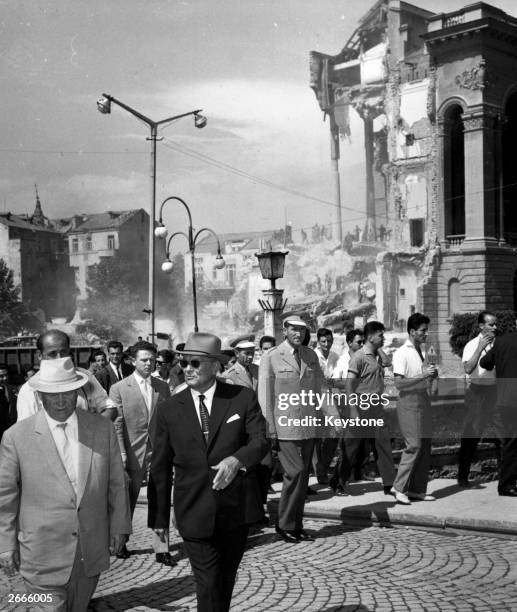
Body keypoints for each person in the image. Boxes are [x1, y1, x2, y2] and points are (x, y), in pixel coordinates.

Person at [148, 332, 268, 612]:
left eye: (195, 363)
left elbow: (260, 441)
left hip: (236, 510)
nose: (187, 369)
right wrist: (159, 519)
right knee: (209, 582)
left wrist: (237, 460)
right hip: (193, 510)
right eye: (184, 363)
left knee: (225, 581)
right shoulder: (168, 410)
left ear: (216, 366)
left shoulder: (242, 397)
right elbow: (160, 466)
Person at [0, 357, 131, 611]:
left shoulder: (102, 429)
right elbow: (5, 496)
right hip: (40, 557)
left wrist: (119, 525)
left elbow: (117, 482)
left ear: (78, 392)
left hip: (89, 553)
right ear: (39, 396)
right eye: (52, 395)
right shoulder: (16, 437)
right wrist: (5, 545)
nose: (61, 401)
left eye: (67, 393)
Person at [258, 315, 325, 543]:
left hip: (307, 424)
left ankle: (296, 525)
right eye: (294, 330)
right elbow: (265, 396)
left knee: (303, 476)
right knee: (294, 472)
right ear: (284, 330)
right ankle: (284, 524)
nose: (299, 334)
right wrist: (271, 428)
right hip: (284, 426)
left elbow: (322, 390)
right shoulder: (272, 357)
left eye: (302, 331)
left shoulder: (310, 355)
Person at [109, 340, 172, 564]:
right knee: (127, 498)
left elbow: (168, 421)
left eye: (152, 360)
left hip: (158, 451)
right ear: (132, 361)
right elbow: (116, 424)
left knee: (160, 499)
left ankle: (161, 548)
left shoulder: (162, 387)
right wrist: (122, 453)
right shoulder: (119, 388)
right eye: (144, 360)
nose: (148, 363)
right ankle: (121, 541)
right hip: (132, 451)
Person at [330, 322, 396, 496]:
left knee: (383, 444)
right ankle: (338, 481)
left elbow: (388, 363)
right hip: (360, 405)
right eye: (380, 335)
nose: (384, 338)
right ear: (370, 336)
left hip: (376, 406)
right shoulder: (358, 357)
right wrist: (353, 410)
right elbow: (350, 385)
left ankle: (389, 484)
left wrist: (378, 348)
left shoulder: (376, 355)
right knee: (351, 447)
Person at [17, 330, 115, 422]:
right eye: (52, 353)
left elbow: (109, 408)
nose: (59, 358)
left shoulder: (85, 378)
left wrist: (92, 431)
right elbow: (25, 430)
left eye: (63, 352)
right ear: (39, 355)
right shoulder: (30, 390)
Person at [391, 313, 438, 505]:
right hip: (408, 402)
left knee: (425, 446)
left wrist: (434, 376)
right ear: (412, 331)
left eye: (427, 330)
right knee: (414, 445)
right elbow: (399, 384)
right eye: (423, 330)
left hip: (423, 400)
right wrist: (423, 374)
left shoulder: (424, 351)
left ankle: (417, 490)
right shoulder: (402, 352)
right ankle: (398, 487)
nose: (426, 334)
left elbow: (429, 378)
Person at [458, 311, 499, 487]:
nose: (495, 327)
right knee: (471, 435)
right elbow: (468, 368)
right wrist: (480, 348)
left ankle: (505, 475)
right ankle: (463, 476)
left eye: (496, 324)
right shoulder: (471, 345)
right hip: (476, 392)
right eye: (491, 324)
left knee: (502, 435)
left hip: (495, 391)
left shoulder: (499, 343)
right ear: (481, 326)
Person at [480, 325, 517, 496]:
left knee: (510, 443)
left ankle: (507, 483)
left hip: (505, 400)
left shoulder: (501, 342)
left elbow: (485, 363)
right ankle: (507, 484)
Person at [312, 328, 340, 485]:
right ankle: (319, 472)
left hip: (331, 400)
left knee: (333, 436)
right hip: (316, 401)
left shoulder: (335, 356)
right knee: (316, 438)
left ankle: (322, 466)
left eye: (329, 341)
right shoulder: (313, 356)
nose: (327, 344)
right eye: (323, 341)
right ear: (318, 342)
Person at [0, 365, 17, 441]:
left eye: (6, 375)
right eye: (1, 376)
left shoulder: (12, 389)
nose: (5, 378)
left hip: (11, 428)